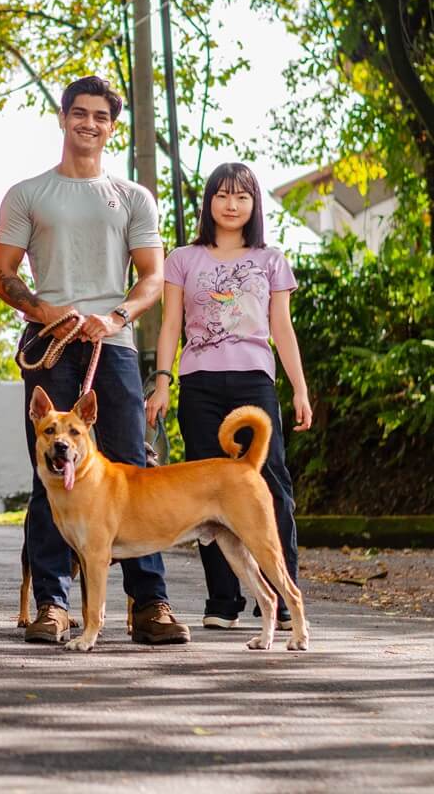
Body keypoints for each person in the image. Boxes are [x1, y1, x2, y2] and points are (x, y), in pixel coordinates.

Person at [0, 74, 190, 645]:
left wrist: (117, 317)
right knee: (51, 471)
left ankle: (149, 603)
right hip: (48, 345)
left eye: (101, 116)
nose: (89, 124)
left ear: (112, 126)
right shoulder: (28, 193)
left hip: (113, 347)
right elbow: (2, 275)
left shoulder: (133, 197)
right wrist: (45, 310)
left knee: (133, 469)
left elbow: (151, 276)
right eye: (80, 113)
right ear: (62, 118)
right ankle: (52, 605)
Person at [147, 162, 311, 630]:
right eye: (222, 195)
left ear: (254, 204)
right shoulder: (183, 258)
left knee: (271, 485)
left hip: (254, 382)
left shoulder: (271, 259)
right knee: (206, 492)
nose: (231, 205)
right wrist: (163, 382)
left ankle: (281, 598)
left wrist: (299, 389)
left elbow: (282, 328)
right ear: (209, 202)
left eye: (241, 196)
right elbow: (171, 325)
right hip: (199, 386)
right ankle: (223, 600)